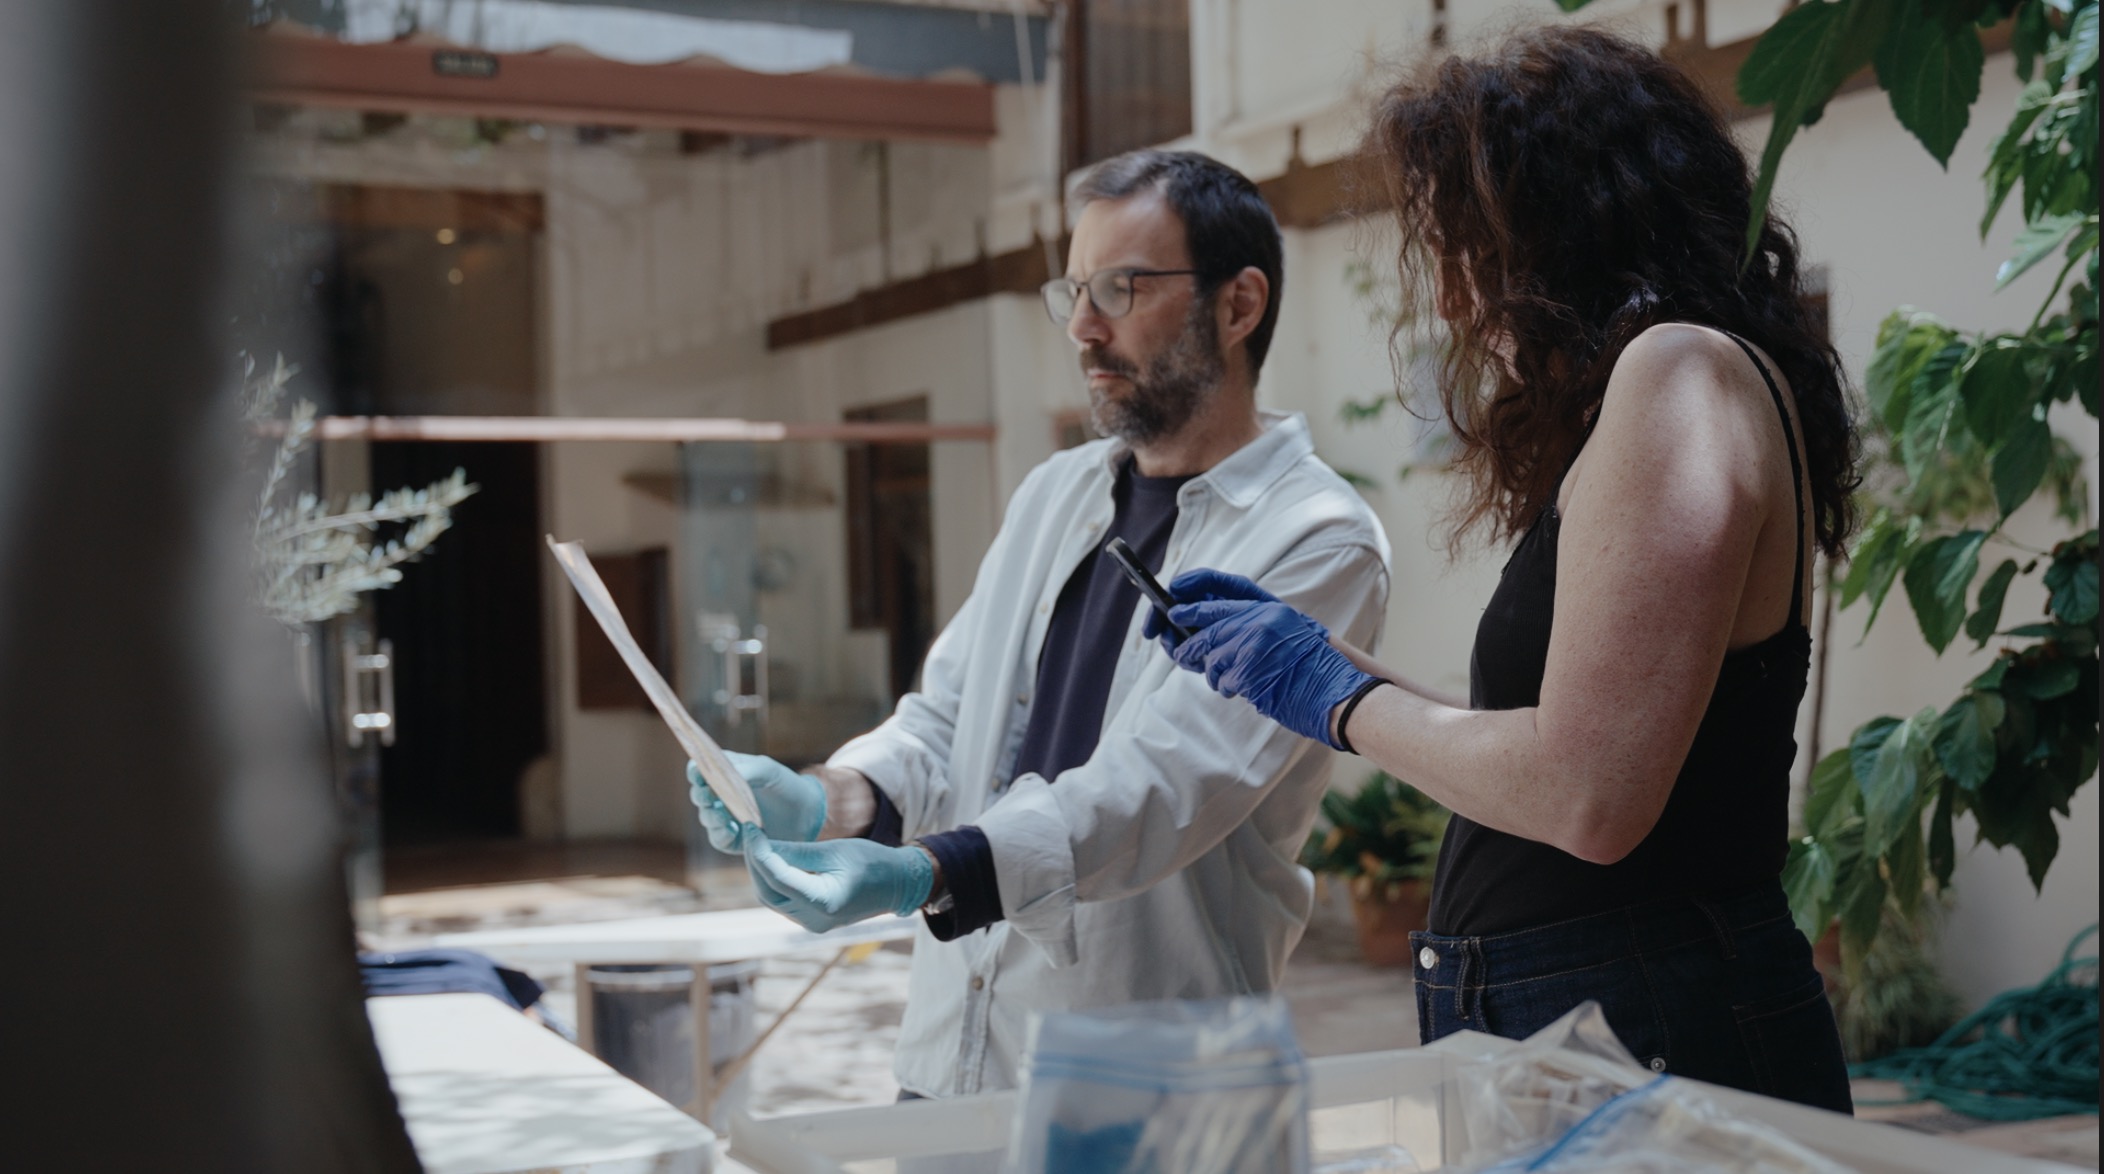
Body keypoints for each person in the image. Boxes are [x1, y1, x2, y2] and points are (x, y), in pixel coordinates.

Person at [1150, 27, 1859, 1112]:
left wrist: (1335, 696)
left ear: (1560, 225)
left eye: (1461, 247)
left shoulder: (1677, 372)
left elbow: (1588, 796)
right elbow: (1549, 745)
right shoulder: (1676, 379)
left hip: (1644, 1023)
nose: (1448, 298)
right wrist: (1324, 665)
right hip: (1616, 1012)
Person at [688, 149, 1390, 1097]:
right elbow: (948, 720)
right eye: (1073, 292)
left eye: (1120, 289)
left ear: (1238, 305)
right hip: (954, 1054)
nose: (1084, 328)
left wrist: (923, 874)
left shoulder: (1315, 537)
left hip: (1144, 1081)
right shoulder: (1057, 493)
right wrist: (834, 800)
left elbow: (1158, 792)